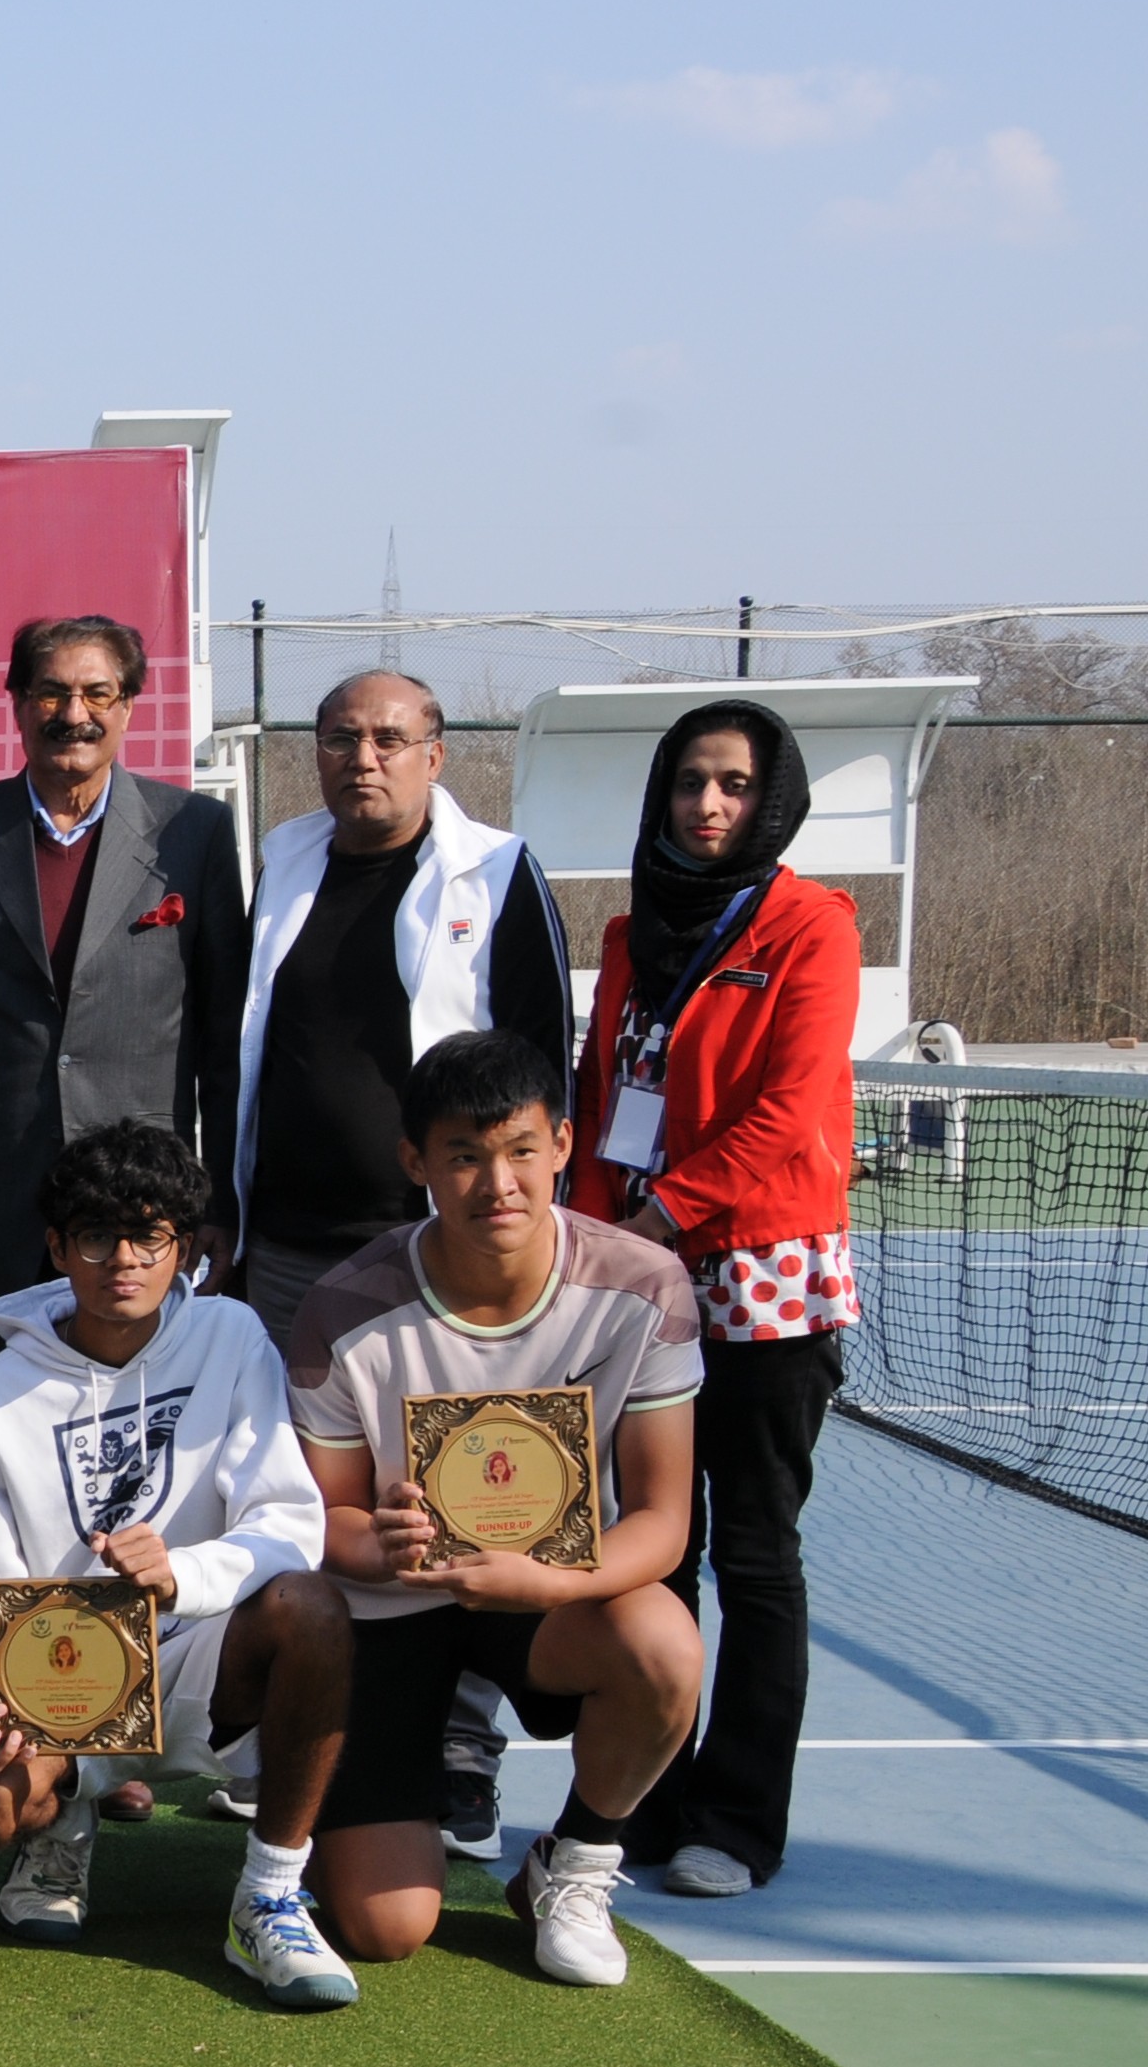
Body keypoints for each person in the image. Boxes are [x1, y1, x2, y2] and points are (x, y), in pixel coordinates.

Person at [228, 669, 574, 1854]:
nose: (360, 758)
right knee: (301, 1499)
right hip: (284, 1242)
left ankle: (460, 1742)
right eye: (338, 739)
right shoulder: (282, 859)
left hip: (434, 1253)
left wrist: (508, 1220)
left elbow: (537, 1065)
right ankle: (299, 1725)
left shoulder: (499, 871)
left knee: (457, 1492)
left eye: (387, 738)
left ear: (435, 753)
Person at [289, 1029, 706, 1984]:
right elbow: (326, 1520)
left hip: (545, 1595)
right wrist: (378, 1546)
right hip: (391, 1611)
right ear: (415, 1162)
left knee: (664, 1643)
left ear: (564, 1144)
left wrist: (541, 1577)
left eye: (521, 1150)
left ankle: (575, 1863)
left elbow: (662, 1521)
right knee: (388, 1928)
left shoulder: (645, 1288)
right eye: (465, 1157)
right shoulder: (340, 1308)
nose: (498, 1184)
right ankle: (341, 1798)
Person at [0, 1120, 360, 2007]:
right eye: (96, 1235)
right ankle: (59, 1828)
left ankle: (270, 1893)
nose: (122, 1259)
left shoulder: (232, 1337)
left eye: (149, 1234)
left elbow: (290, 1523)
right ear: (58, 1247)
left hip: (205, 1650)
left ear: (185, 1248)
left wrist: (183, 1574)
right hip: (65, 1675)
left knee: (313, 1607)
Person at [569, 701, 858, 1899]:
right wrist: (586, 1241)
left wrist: (660, 1220)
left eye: (734, 785)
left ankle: (737, 1822)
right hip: (635, 1275)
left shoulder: (811, 926)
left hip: (760, 1276)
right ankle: (644, 1800)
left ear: (769, 799)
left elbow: (787, 1112)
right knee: (647, 1552)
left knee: (751, 1551)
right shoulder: (632, 933)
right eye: (690, 781)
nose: (708, 806)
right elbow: (598, 1095)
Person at [0, 615, 250, 1381]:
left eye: (97, 693)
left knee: (140, 1433)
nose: (75, 714)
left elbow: (225, 1039)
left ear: (129, 706)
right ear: (18, 703)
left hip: (146, 1212)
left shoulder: (192, 834)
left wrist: (218, 1207)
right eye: (52, 693)